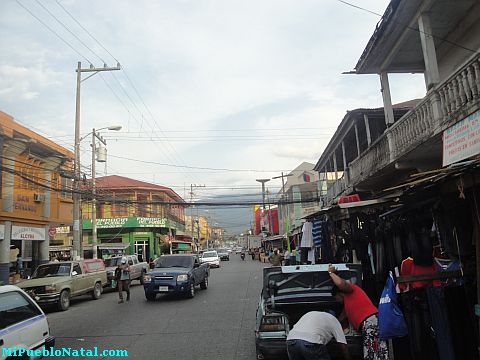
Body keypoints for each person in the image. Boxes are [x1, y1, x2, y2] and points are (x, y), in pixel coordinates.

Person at [328, 266, 388, 360]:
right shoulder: (348, 304)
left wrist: (331, 273)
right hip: (370, 323)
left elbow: (340, 284)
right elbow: (340, 318)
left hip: (370, 322)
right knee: (378, 352)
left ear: (340, 293)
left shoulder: (351, 290)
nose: (337, 301)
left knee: (373, 353)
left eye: (336, 298)